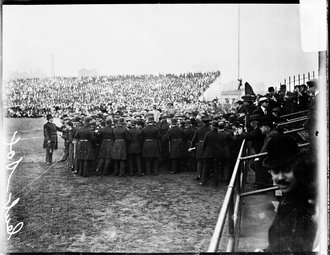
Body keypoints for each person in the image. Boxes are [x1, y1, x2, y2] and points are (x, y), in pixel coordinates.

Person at [258, 135, 317, 252]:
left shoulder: (310, 202)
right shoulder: (290, 191)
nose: (280, 177)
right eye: (275, 171)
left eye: (286, 169)